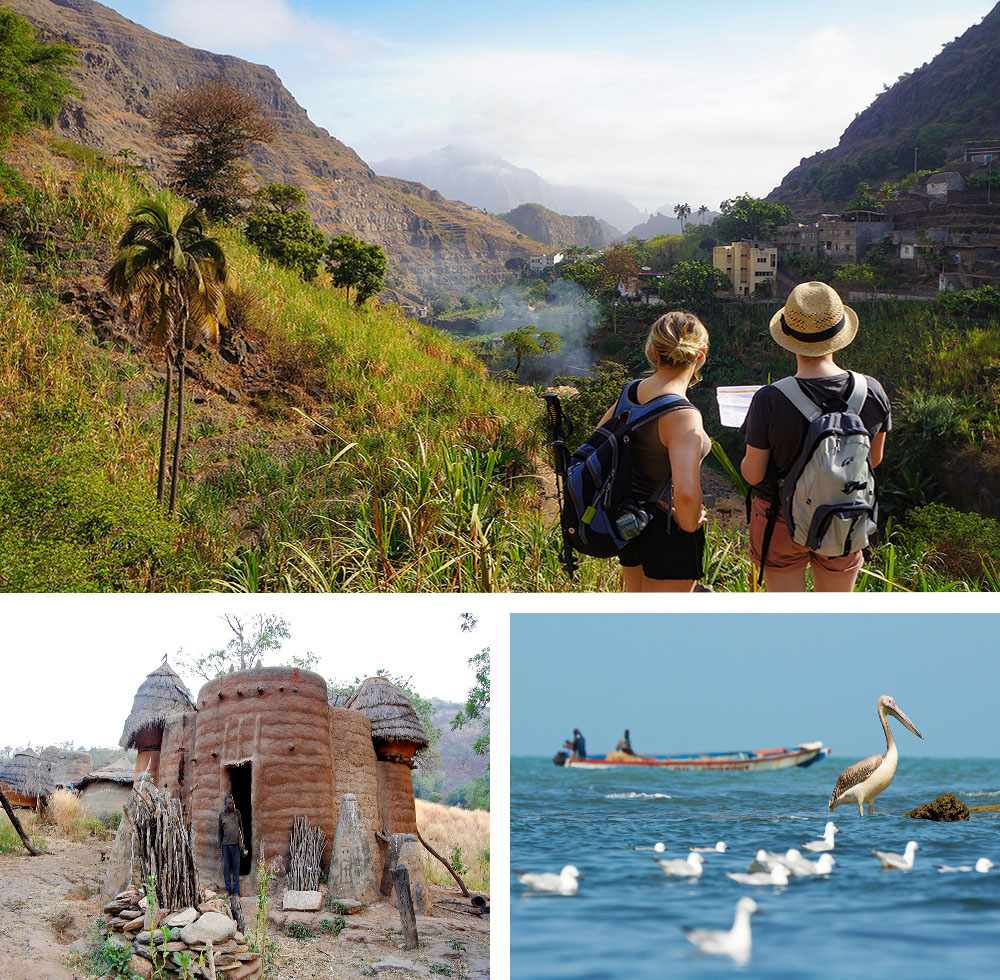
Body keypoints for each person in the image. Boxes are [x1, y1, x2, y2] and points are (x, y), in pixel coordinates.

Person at [740, 281, 891, 592]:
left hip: (779, 517)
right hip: (845, 512)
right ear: (839, 335)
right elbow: (873, 460)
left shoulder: (770, 399)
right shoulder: (872, 391)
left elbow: (754, 474)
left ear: (788, 338)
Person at [598, 311, 712, 592]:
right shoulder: (683, 416)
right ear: (701, 354)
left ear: (652, 352)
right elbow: (685, 493)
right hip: (668, 532)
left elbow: (597, 450)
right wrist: (690, 525)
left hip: (629, 525)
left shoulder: (630, 393)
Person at [218, 795, 248, 897]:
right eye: (229, 803)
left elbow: (241, 830)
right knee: (226, 869)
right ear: (225, 804)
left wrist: (242, 842)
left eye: (232, 803)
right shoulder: (222, 816)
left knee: (236, 869)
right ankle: (227, 891)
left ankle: (235, 892)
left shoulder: (237, 814)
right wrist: (219, 847)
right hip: (225, 846)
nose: (231, 805)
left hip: (236, 846)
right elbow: (219, 833)